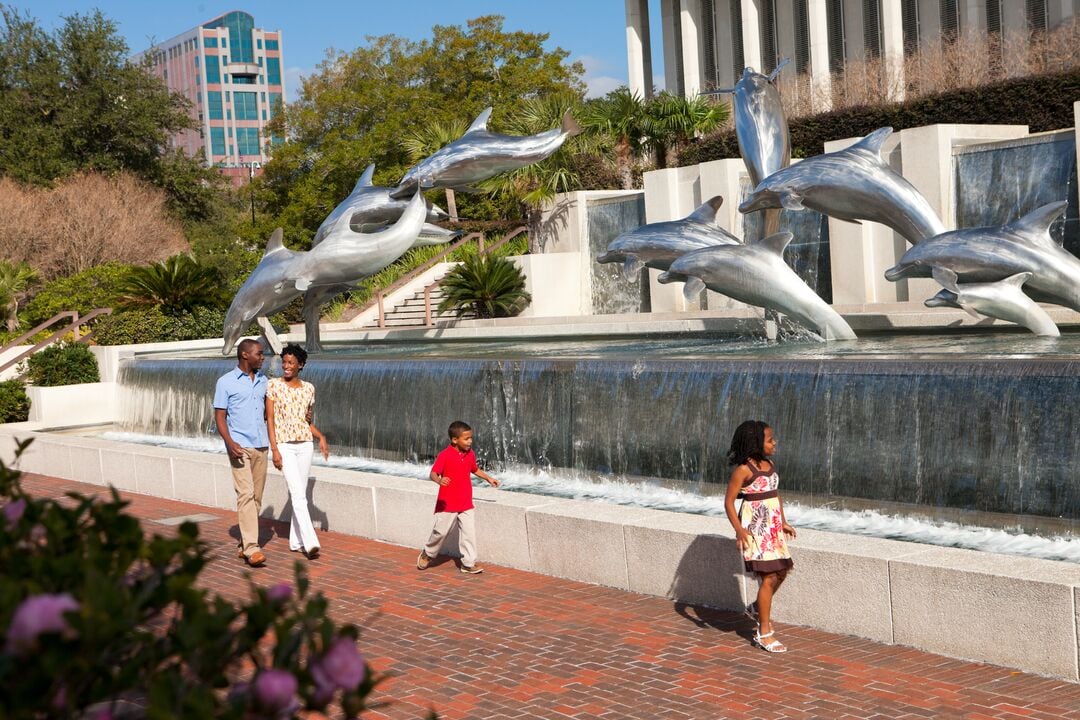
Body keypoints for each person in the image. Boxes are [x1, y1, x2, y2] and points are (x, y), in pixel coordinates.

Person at [723, 419, 796, 653]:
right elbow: (728, 503)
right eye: (770, 440)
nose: (775, 443)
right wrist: (739, 529)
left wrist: (783, 521)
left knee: (782, 572)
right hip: (756, 530)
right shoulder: (743, 471)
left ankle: (756, 607)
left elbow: (775, 496)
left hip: (773, 529)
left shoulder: (769, 464)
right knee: (769, 576)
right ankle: (764, 633)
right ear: (756, 443)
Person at [266, 344, 330, 560]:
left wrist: (320, 436)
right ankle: (311, 542)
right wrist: (274, 449)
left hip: (304, 445)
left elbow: (306, 421)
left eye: (291, 362)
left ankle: (296, 541)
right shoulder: (273, 386)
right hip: (284, 445)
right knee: (297, 493)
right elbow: (270, 420)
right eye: (284, 362)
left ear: (300, 365)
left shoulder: (309, 389)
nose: (286, 366)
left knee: (299, 493)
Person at [416, 421, 500, 574]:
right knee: (440, 532)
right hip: (448, 502)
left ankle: (468, 563)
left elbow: (474, 469)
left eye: (471, 438)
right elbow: (433, 473)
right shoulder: (445, 455)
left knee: (469, 533)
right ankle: (428, 553)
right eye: (466, 439)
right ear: (455, 440)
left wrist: (488, 478)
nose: (470, 441)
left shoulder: (470, 454)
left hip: (466, 501)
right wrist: (440, 480)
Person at [214, 339, 270, 567]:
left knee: (256, 496)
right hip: (239, 446)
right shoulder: (225, 382)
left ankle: (245, 541)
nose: (263, 357)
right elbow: (219, 417)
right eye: (259, 353)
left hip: (262, 445)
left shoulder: (265, 381)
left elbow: (270, 414)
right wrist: (229, 442)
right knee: (245, 494)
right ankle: (251, 548)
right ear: (245, 355)